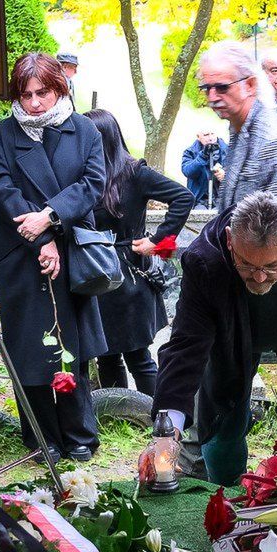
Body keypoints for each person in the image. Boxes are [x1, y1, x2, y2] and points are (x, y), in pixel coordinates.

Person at [140, 193, 277, 487]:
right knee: (224, 425)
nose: (259, 278)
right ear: (230, 240)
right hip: (232, 337)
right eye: (246, 265)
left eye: (272, 266)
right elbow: (185, 345)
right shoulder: (204, 261)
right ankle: (225, 492)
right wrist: (168, 434)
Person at [0, 54, 108, 459]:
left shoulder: (85, 129)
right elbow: (4, 192)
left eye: (43, 92)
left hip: (71, 249)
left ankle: (79, 436)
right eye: (26, 94)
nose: (35, 102)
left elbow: (93, 184)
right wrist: (40, 238)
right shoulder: (3, 134)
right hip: (22, 254)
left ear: (60, 89)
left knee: (72, 344)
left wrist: (50, 219)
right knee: (30, 348)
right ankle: (41, 438)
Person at [86, 109, 194, 400]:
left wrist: (157, 240)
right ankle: (119, 414)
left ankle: (160, 421)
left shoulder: (135, 173)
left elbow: (184, 197)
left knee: (137, 356)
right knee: (106, 355)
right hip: (97, 274)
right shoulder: (88, 176)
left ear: (102, 138)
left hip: (130, 276)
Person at [199, 43, 277, 211]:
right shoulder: (241, 129)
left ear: (250, 85)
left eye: (222, 87)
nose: (212, 96)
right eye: (206, 88)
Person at [181, 126, 229, 207]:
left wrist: (225, 176)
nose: (210, 138)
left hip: (222, 199)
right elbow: (187, 171)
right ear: (198, 137)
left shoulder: (227, 150)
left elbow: (239, 173)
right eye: (206, 135)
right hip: (199, 199)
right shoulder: (190, 152)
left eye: (213, 134)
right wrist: (202, 157)